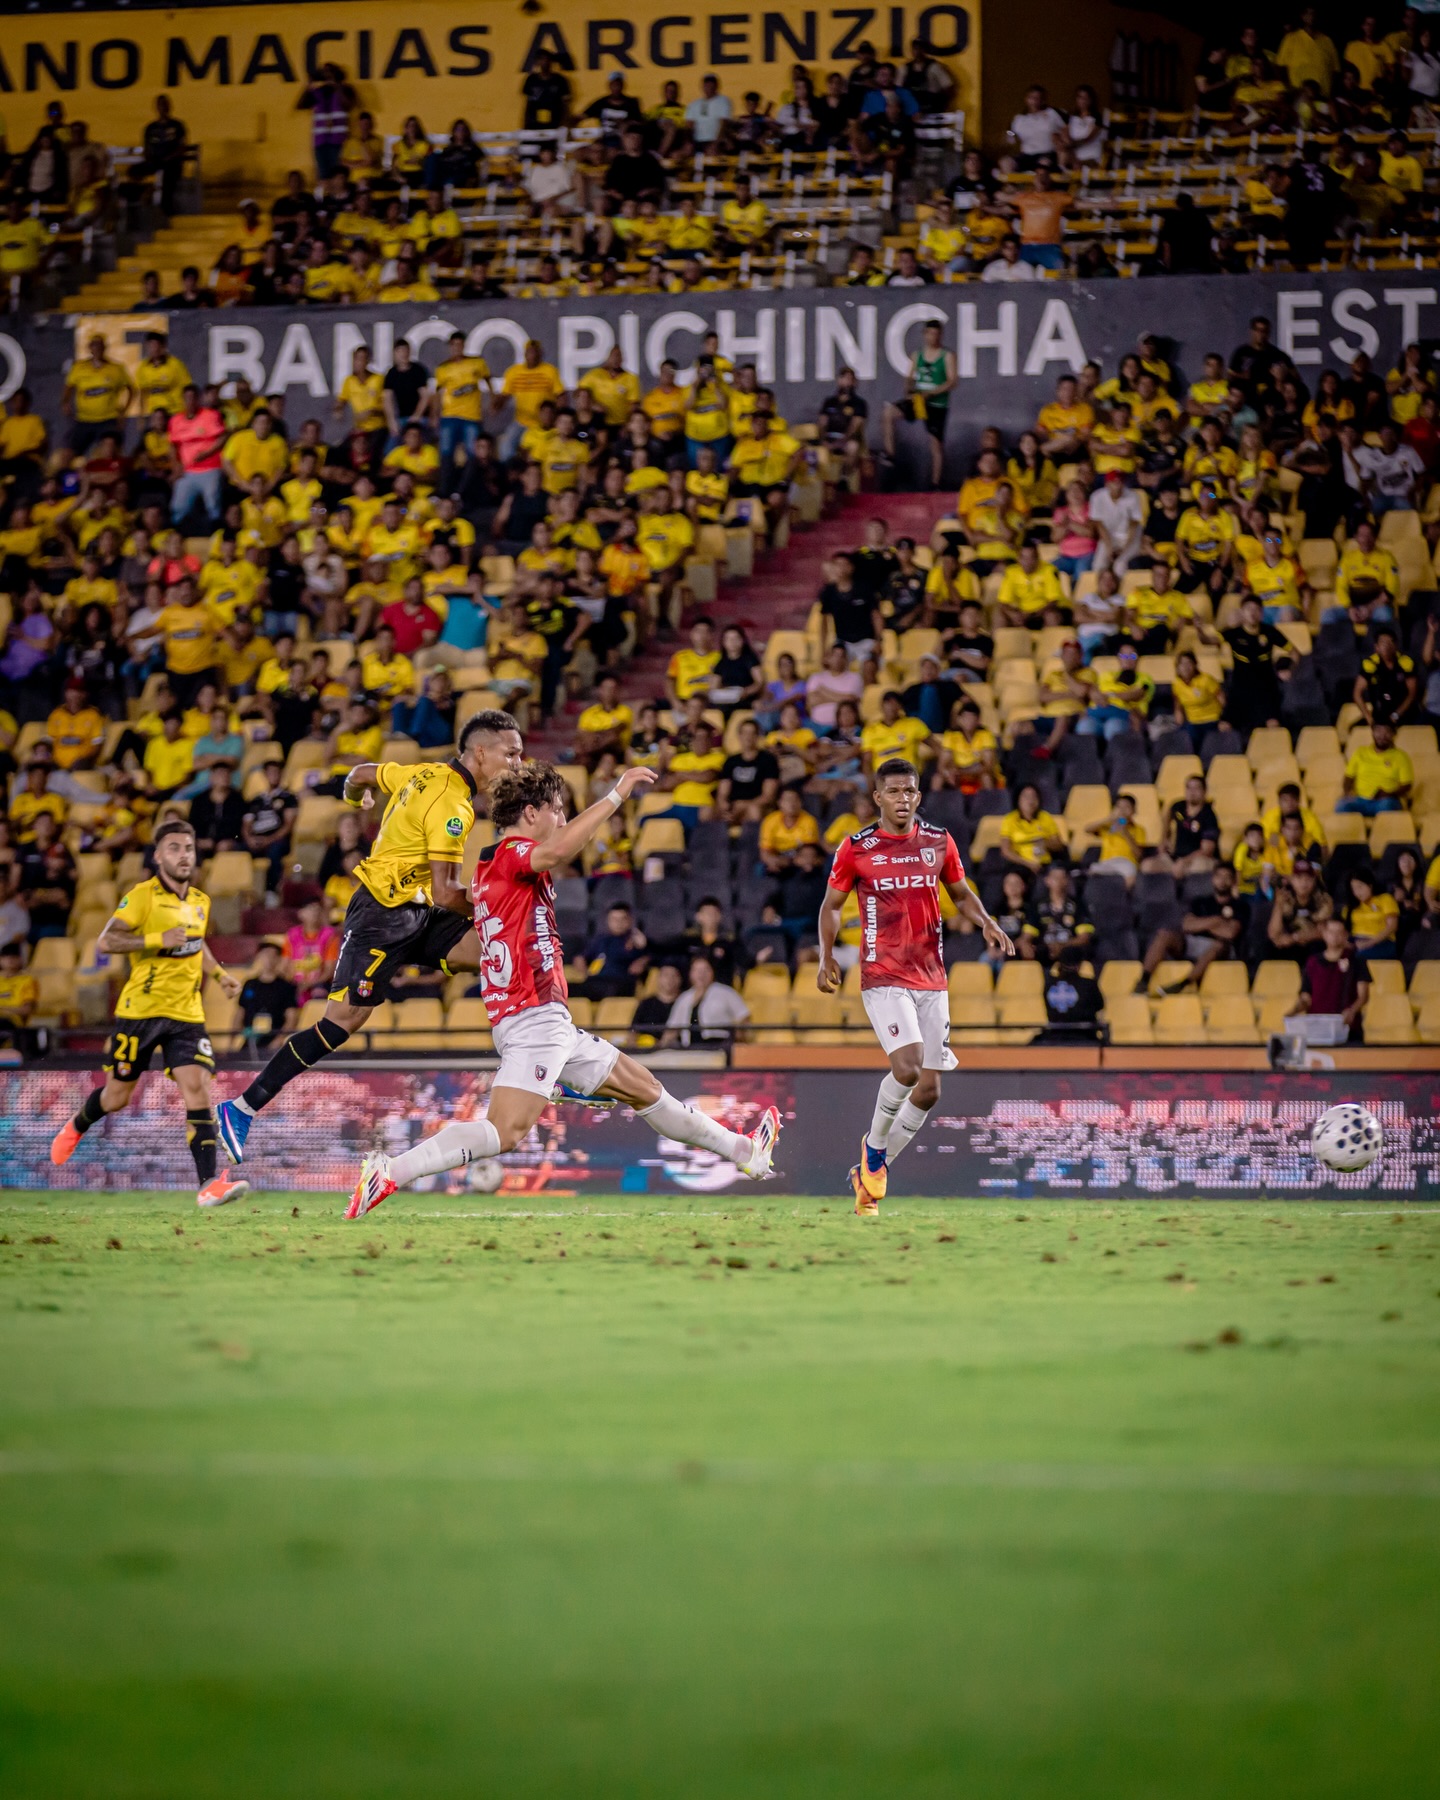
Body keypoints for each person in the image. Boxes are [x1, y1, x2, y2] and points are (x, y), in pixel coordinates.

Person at [345, 762, 779, 1217]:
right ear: (531, 813)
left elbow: (551, 854)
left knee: (645, 1089)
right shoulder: (513, 853)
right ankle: (392, 1170)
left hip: (544, 1020)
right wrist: (615, 795)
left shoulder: (488, 866)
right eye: (558, 811)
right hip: (534, 1020)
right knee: (504, 1132)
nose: (563, 822)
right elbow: (560, 850)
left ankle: (746, 1152)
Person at [216, 712, 524, 1164]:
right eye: (510, 753)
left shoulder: (422, 771)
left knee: (494, 949)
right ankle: (241, 1109)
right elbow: (446, 892)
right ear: (481, 752)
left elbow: (360, 775)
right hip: (382, 913)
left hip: (415, 907)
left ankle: (536, 1063)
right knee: (341, 1023)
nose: (518, 762)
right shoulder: (452, 806)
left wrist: (355, 795)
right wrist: (500, 904)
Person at [817, 757, 1013, 1215]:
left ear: (918, 797)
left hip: (931, 976)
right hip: (883, 974)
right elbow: (831, 905)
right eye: (894, 792)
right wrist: (827, 955)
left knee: (928, 1091)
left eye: (910, 792)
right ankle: (875, 1149)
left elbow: (961, 892)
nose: (902, 799)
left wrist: (986, 923)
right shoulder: (856, 847)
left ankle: (868, 1174)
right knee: (906, 1069)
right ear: (877, 798)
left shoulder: (938, 842)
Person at [48, 819, 246, 1208]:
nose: (183, 855)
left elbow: (197, 944)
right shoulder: (142, 897)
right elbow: (108, 940)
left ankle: (208, 1185)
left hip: (186, 1014)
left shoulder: (201, 902)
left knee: (198, 1087)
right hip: (140, 1012)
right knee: (118, 1096)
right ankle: (77, 1124)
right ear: (157, 856)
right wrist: (156, 939)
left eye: (188, 848)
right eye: (174, 848)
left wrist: (220, 975)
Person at [1297, 916, 1370, 1044]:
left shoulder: (1357, 961)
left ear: (1346, 935)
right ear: (1324, 934)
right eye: (1331, 932)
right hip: (1318, 1029)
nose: (1334, 936)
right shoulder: (1312, 962)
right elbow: (1306, 996)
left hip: (1348, 1029)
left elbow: (1363, 995)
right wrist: (1294, 1011)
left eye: (1339, 932)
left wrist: (1352, 1010)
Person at [666, 953, 751, 1047]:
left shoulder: (726, 992)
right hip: (690, 1049)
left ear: (712, 972)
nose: (701, 975)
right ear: (691, 974)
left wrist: (738, 1036)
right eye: (697, 970)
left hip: (720, 1045)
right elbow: (672, 1029)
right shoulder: (684, 998)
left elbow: (744, 1017)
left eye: (705, 970)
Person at [238, 940, 299, 1052]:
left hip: (274, 1041)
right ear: (258, 957)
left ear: (279, 959)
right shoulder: (250, 984)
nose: (269, 959)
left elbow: (291, 1018)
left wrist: (278, 1040)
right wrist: (233, 1040)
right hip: (250, 1040)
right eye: (265, 955)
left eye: (273, 956)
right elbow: (240, 1012)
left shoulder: (287, 987)